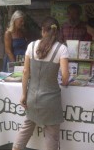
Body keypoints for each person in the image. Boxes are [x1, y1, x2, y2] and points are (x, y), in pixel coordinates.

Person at [12, 16, 69, 150]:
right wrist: (65, 81)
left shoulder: (31, 46)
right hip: (51, 100)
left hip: (32, 97)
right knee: (51, 135)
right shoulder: (61, 49)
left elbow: (25, 71)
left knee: (26, 128)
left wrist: (24, 95)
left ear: (42, 31)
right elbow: (65, 77)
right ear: (57, 31)